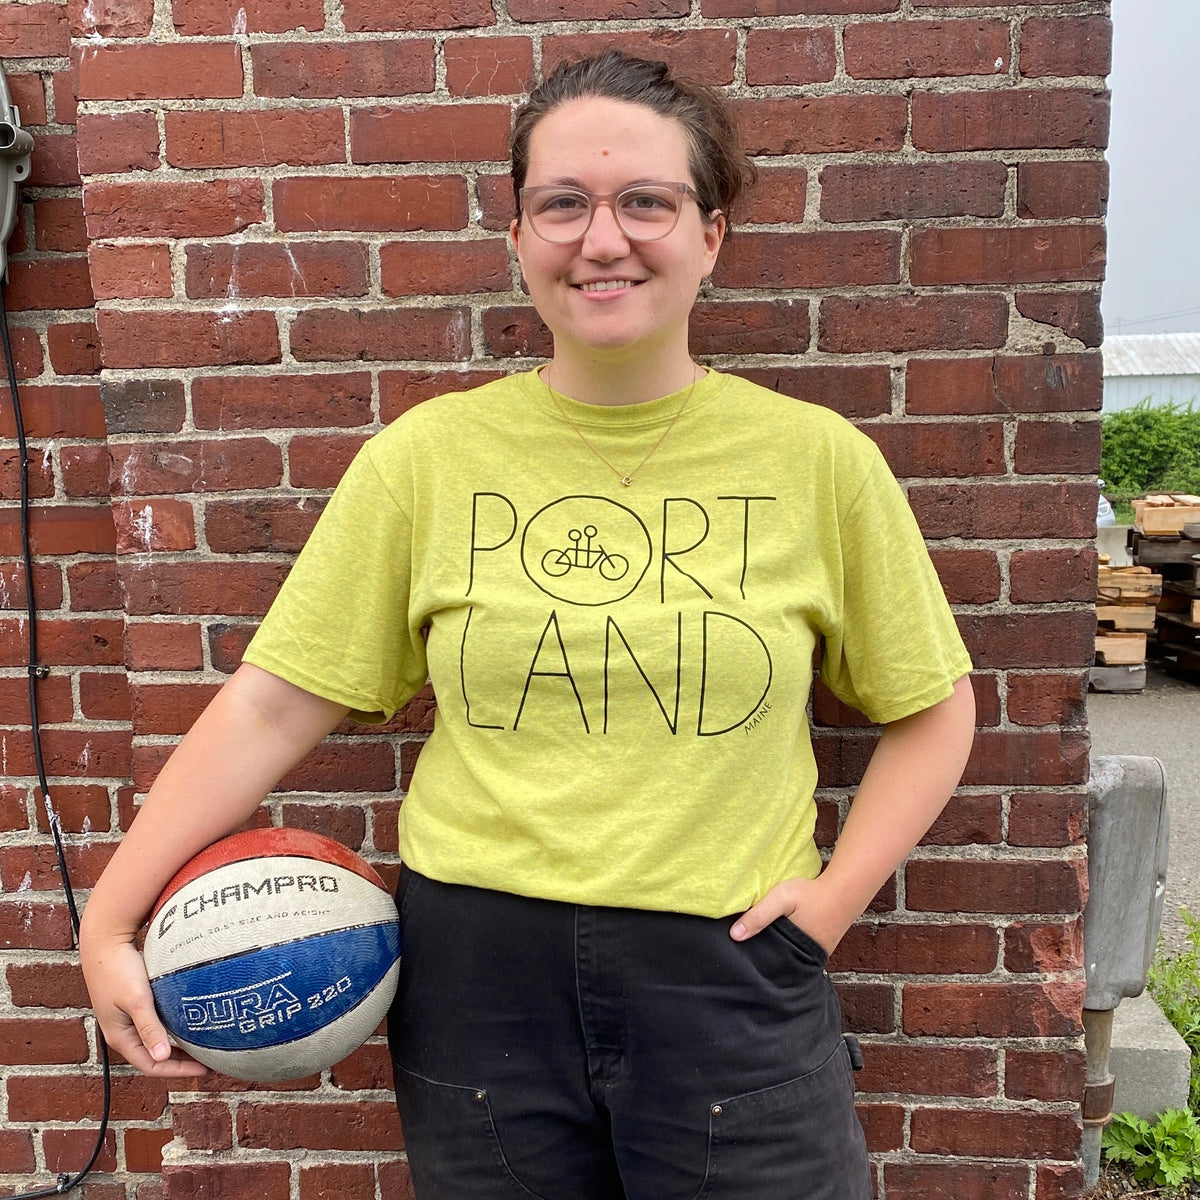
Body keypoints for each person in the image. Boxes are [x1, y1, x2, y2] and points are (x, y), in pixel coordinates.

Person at [80, 51, 976, 1200]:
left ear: (712, 235)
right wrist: (114, 913)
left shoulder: (818, 464)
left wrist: (833, 904)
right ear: (518, 238)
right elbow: (276, 698)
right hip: (476, 986)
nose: (603, 240)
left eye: (646, 201)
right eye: (563, 204)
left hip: (731, 971)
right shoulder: (427, 459)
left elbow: (933, 706)